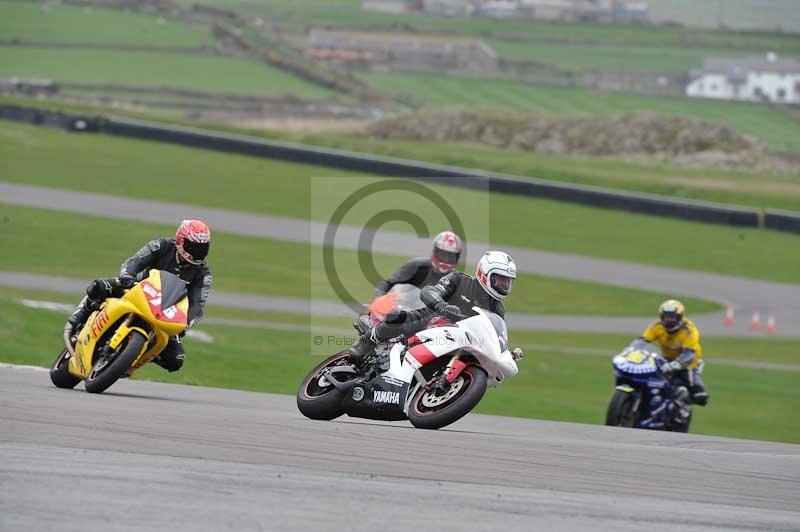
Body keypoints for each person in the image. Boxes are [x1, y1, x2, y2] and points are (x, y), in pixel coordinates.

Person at [64, 220, 213, 373]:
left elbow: (197, 306)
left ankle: (134, 356)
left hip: (164, 313)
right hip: (135, 289)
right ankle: (77, 320)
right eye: (193, 247)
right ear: (181, 240)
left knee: (176, 360)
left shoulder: (203, 275)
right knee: (99, 287)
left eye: (202, 248)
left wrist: (185, 324)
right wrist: (127, 275)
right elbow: (135, 261)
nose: (197, 253)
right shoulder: (161, 246)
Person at [349, 250, 516, 360]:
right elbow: (429, 292)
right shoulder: (459, 279)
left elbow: (496, 335)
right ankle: (366, 342)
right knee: (398, 318)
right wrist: (442, 306)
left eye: (507, 282)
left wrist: (503, 352)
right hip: (432, 318)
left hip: (459, 340)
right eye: (500, 280)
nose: (503, 285)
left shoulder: (497, 309)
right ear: (484, 273)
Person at [630, 299, 709, 407]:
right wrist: (630, 350)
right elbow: (642, 340)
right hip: (664, 359)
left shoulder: (689, 331)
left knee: (700, 396)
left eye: (672, 317)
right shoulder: (657, 326)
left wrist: (676, 365)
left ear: (680, 317)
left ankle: (684, 405)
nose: (669, 321)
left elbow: (689, 354)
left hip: (688, 363)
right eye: (666, 317)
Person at [371, 231, 463, 300]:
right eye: (442, 254)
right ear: (434, 251)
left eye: (450, 256)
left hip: (432, 320)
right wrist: (376, 299)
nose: (446, 259)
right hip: (403, 311)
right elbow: (388, 283)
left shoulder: (456, 279)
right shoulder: (417, 266)